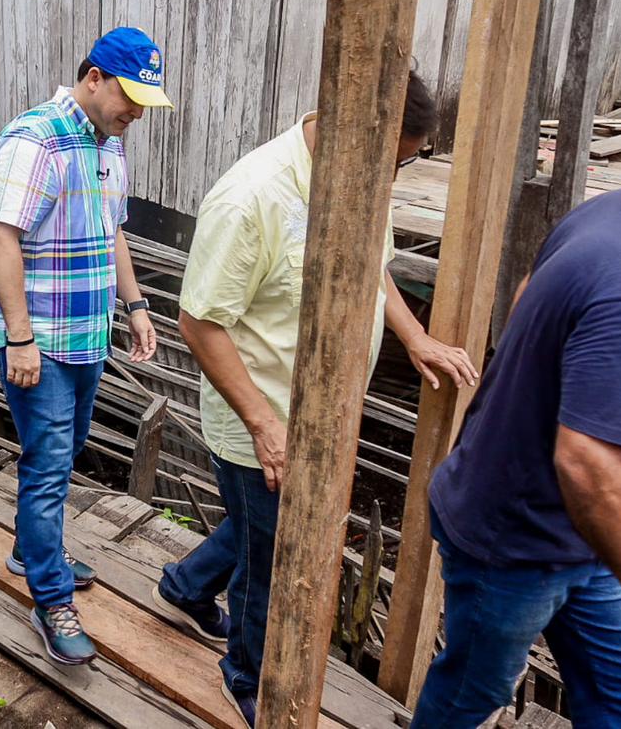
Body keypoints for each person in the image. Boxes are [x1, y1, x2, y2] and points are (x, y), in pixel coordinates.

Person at [150, 72, 477, 728]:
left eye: (407, 162)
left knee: (260, 525)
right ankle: (245, 672)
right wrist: (265, 424)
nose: (395, 175)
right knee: (272, 556)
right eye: (393, 160)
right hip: (262, 416)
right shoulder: (252, 198)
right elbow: (199, 322)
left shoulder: (359, 180)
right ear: (349, 126)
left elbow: (372, 263)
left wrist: (414, 336)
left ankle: (186, 585)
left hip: (319, 411)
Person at [411, 120, 621, 727]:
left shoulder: (612, 212)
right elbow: (588, 461)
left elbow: (526, 296)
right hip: (518, 539)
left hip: (569, 530)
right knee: (471, 693)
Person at [0, 27, 171, 666]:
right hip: (39, 338)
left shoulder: (110, 144)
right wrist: (19, 338)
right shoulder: (34, 139)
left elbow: (114, 229)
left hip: (88, 333)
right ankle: (51, 597)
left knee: (62, 452)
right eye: (131, 96)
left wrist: (137, 305)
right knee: (50, 464)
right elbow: (2, 238)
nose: (137, 113)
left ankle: (29, 549)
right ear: (94, 77)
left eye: (146, 101)